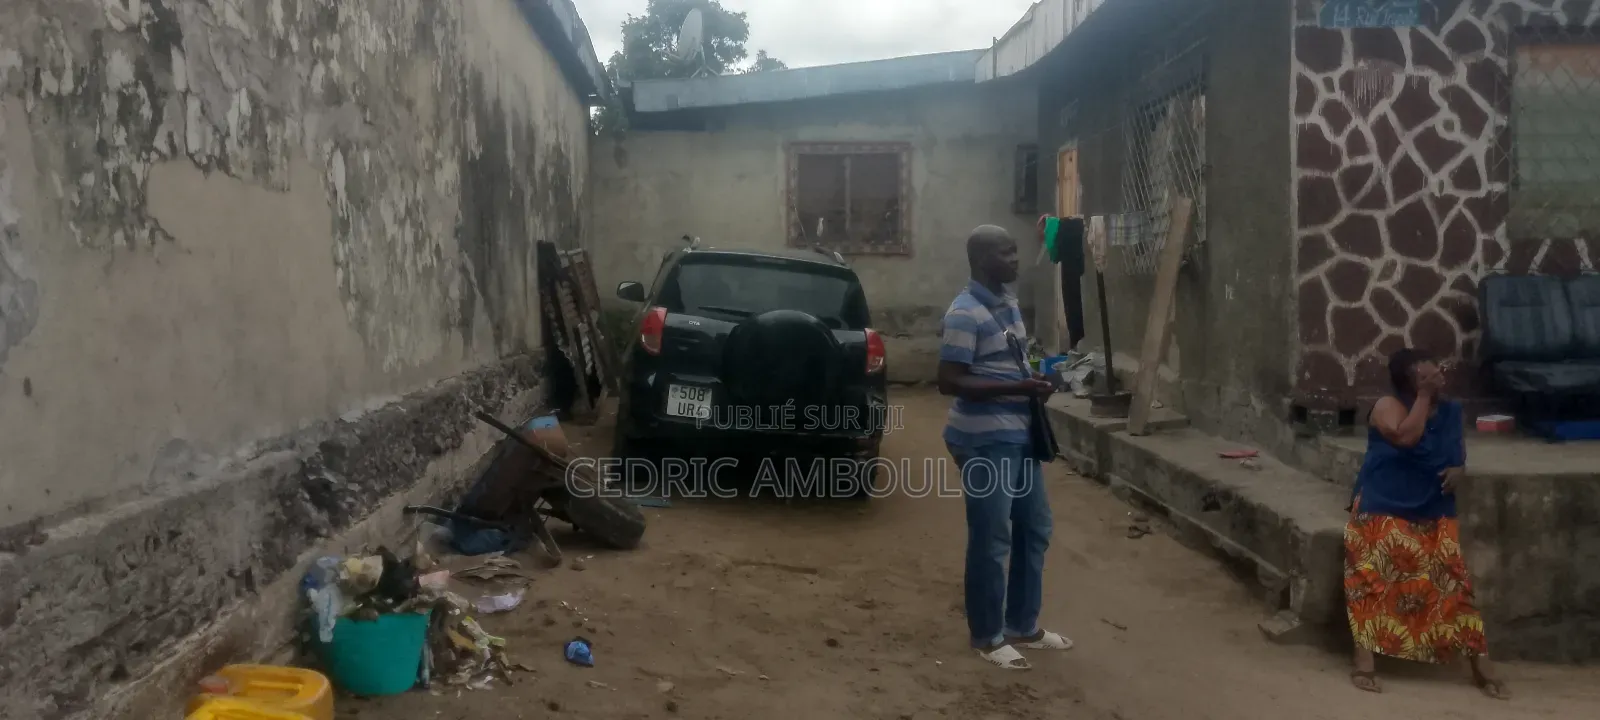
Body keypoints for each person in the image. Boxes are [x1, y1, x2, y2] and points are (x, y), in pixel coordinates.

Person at [936, 225, 1070, 670]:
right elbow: (950, 380)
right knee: (992, 538)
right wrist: (1016, 386)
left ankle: (1022, 625)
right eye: (1005, 253)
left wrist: (1040, 380)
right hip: (982, 441)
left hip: (1018, 435)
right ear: (980, 260)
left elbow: (1010, 361)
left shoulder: (1009, 304)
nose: (1015, 259)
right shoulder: (964, 312)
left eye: (1014, 251)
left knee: (1034, 529)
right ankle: (988, 637)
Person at [1345, 348, 1509, 699]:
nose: (1436, 375)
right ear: (1409, 381)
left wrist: (1459, 471)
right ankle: (1364, 661)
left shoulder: (1450, 412)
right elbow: (1406, 437)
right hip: (1383, 502)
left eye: (1434, 371)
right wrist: (1422, 396)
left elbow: (1458, 454)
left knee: (1455, 581)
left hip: (1433, 506)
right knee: (1370, 574)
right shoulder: (1387, 406)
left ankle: (1481, 664)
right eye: (1424, 375)